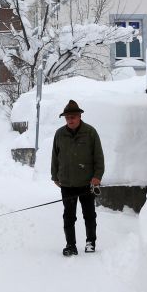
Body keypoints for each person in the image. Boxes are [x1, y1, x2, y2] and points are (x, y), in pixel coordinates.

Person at [50, 100, 104, 256]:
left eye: (73, 117)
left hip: (87, 183)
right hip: (67, 183)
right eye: (67, 117)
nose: (70, 120)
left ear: (79, 116)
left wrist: (97, 176)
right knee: (68, 216)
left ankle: (90, 242)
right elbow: (55, 157)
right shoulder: (59, 134)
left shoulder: (90, 132)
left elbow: (99, 157)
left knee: (89, 215)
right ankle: (70, 245)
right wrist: (55, 176)